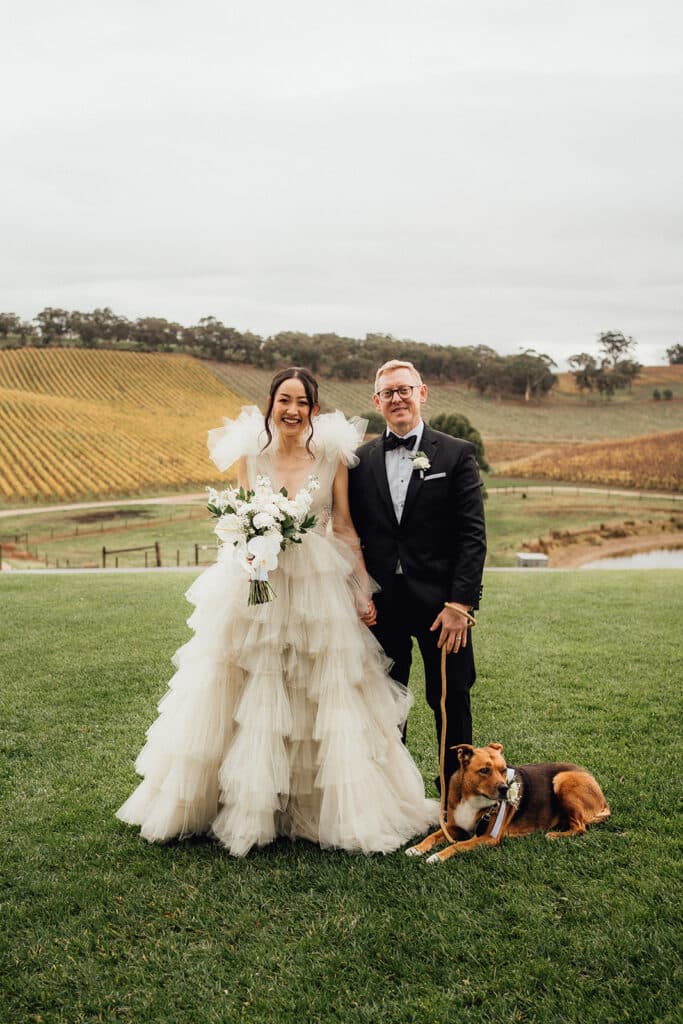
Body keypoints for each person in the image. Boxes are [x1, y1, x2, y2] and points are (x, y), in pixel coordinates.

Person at [116, 367, 437, 856]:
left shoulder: (332, 457)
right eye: (284, 400)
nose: (292, 410)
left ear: (313, 409)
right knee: (248, 686)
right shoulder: (252, 454)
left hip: (317, 585)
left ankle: (315, 808)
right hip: (257, 584)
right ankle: (244, 806)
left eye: (302, 402)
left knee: (321, 693)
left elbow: (346, 529)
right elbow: (240, 521)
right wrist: (249, 550)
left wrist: (360, 589)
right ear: (271, 404)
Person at [348, 359, 486, 793]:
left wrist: (460, 606)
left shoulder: (456, 453)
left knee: (450, 701)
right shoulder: (359, 460)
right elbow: (350, 533)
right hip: (382, 606)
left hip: (442, 607)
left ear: (422, 393)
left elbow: (472, 535)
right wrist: (358, 593)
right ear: (376, 401)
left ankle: (457, 796)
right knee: (386, 702)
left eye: (405, 389)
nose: (397, 398)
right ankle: (394, 797)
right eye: (388, 392)